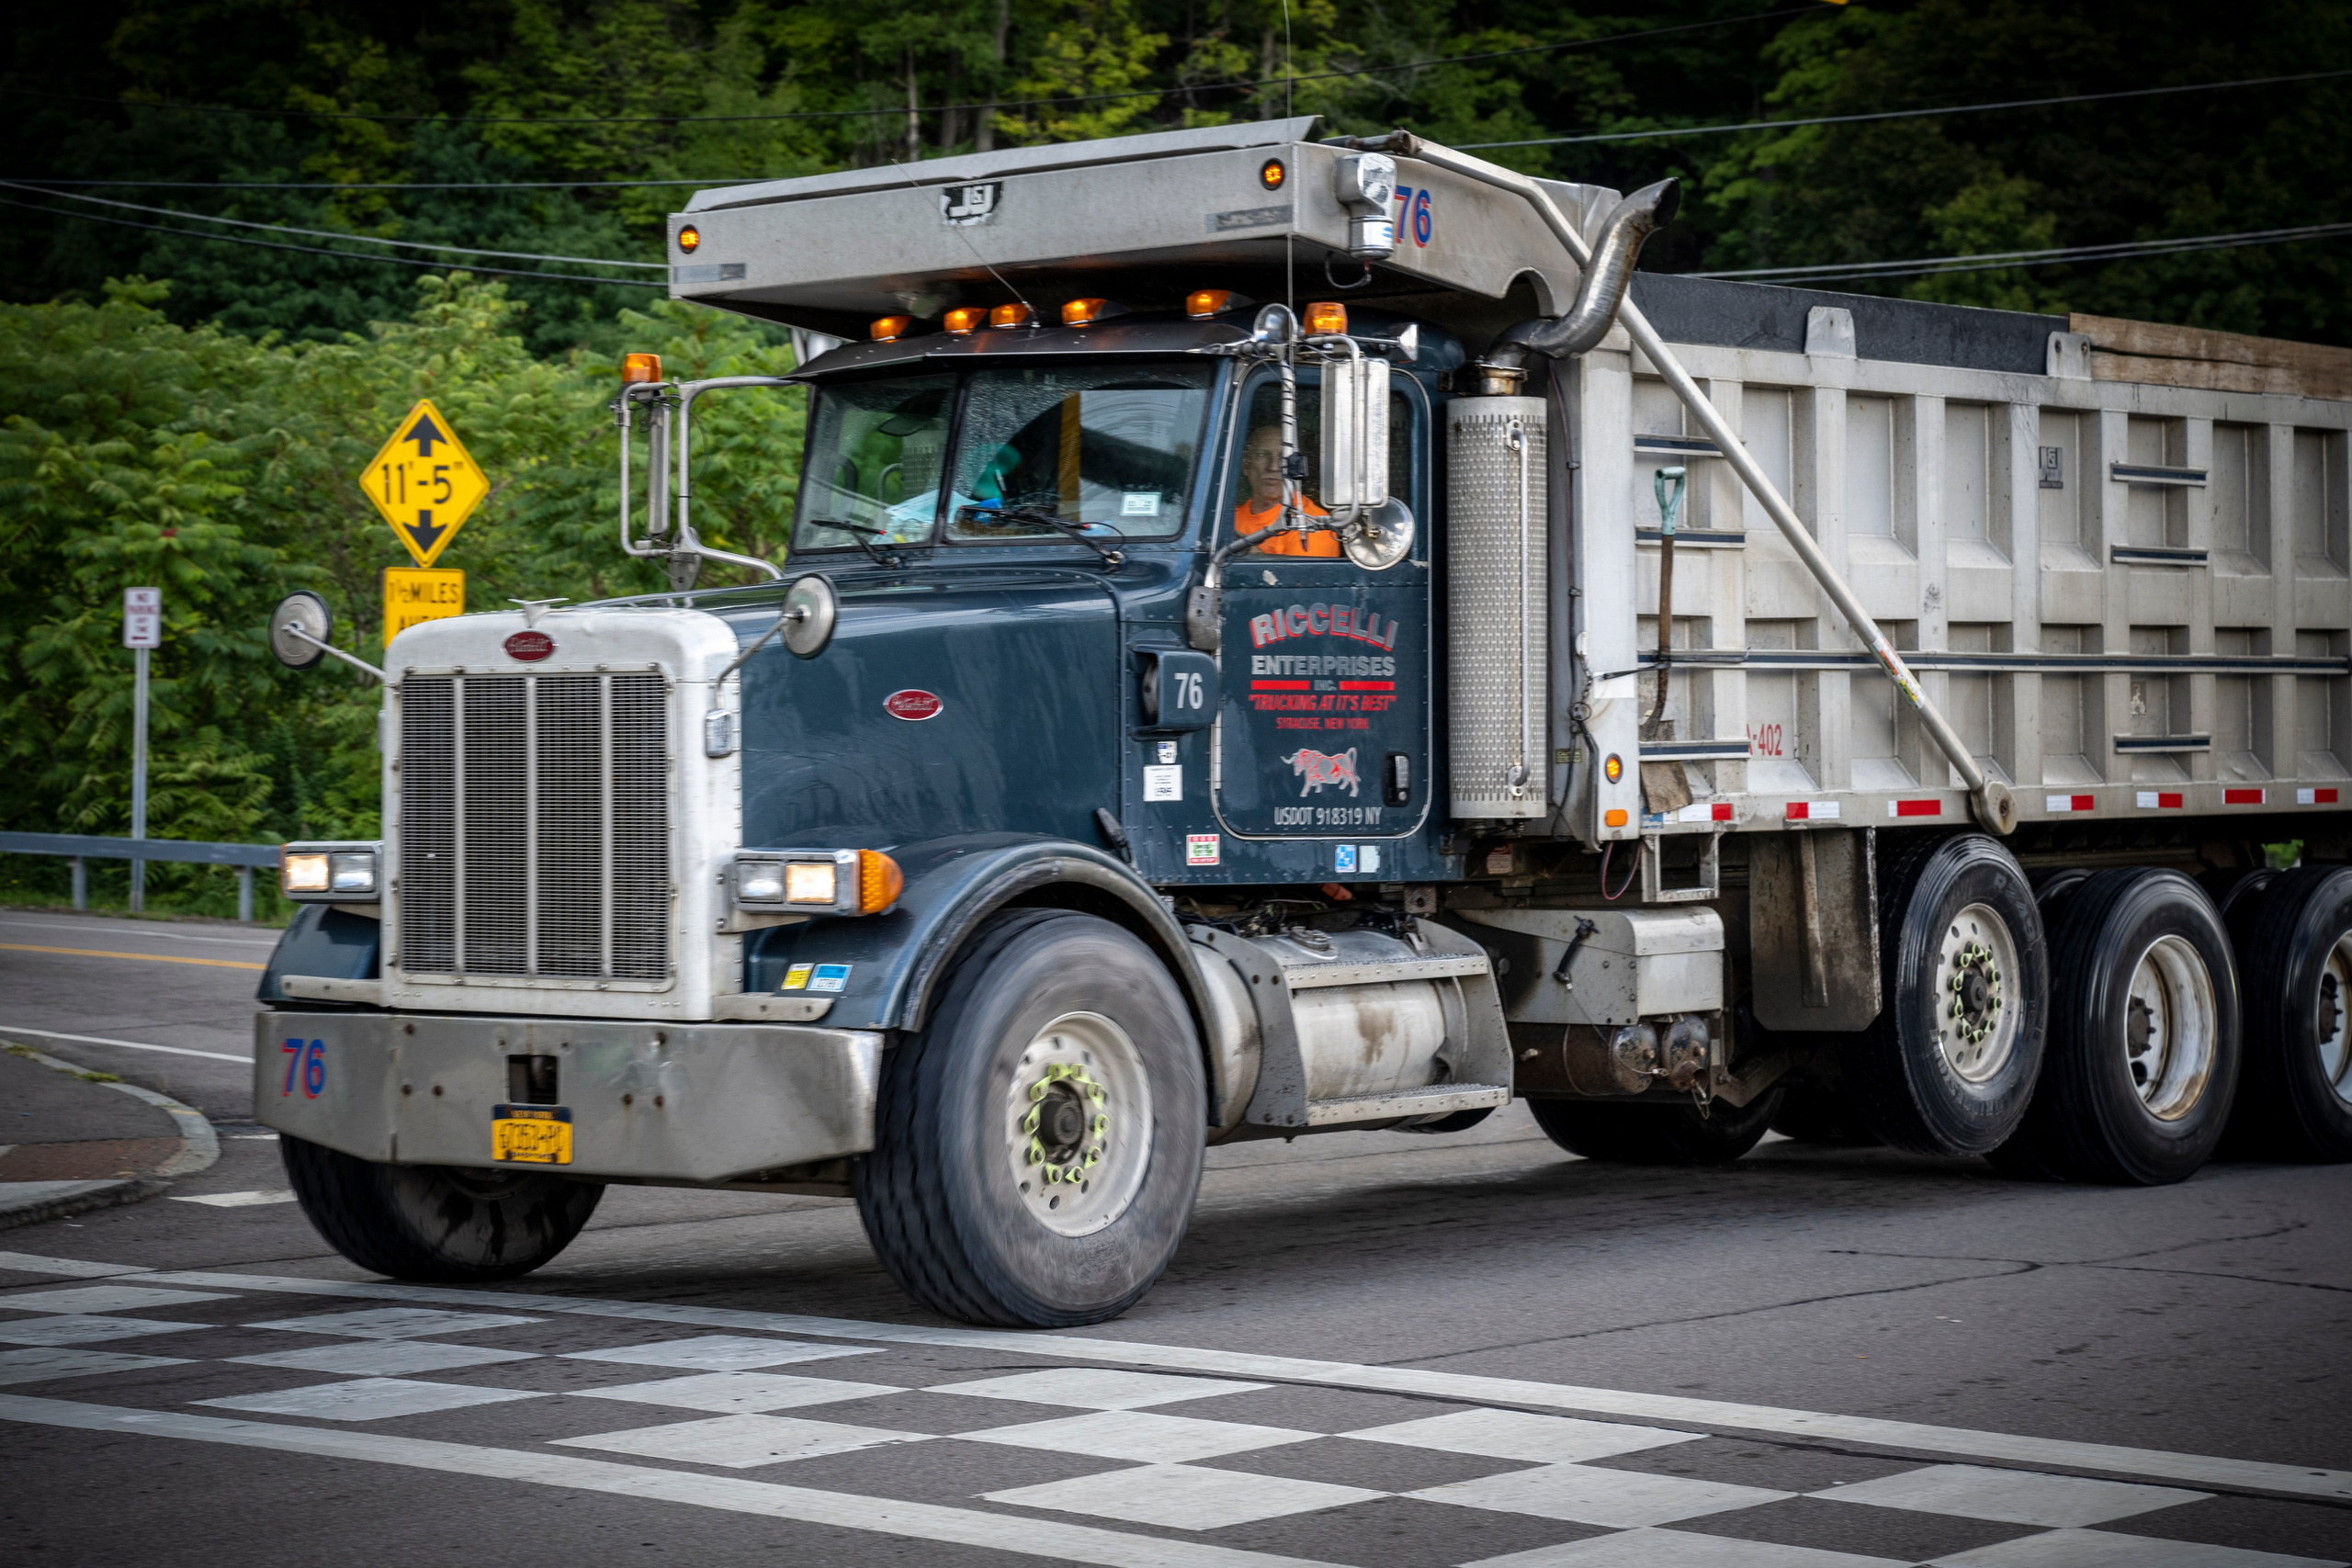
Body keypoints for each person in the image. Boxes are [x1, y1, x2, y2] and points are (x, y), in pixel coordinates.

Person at [1234, 423, 1339, 558]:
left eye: (1283, 457)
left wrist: (1245, 552)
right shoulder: (1228, 517)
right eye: (1262, 455)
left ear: (1296, 467)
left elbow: (1295, 577)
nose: (1273, 467)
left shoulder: (1312, 525)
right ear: (1246, 466)